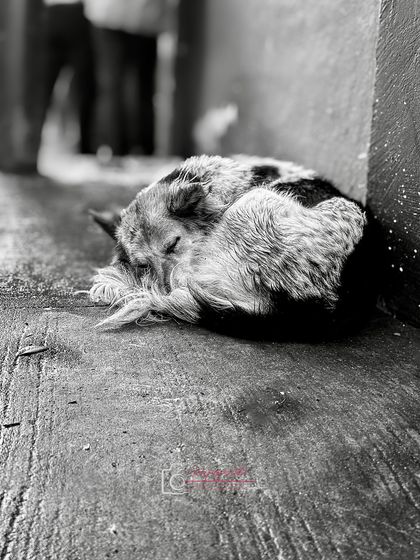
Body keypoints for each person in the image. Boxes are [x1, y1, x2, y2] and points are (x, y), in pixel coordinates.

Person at [84, 0, 169, 157]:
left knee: (112, 85)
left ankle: (115, 147)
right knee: (140, 86)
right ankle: (141, 148)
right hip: (144, 15)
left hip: (111, 12)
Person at [42, 0, 96, 154]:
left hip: (53, 12)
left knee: (43, 90)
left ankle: (31, 143)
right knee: (83, 90)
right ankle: (84, 148)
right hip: (75, 14)